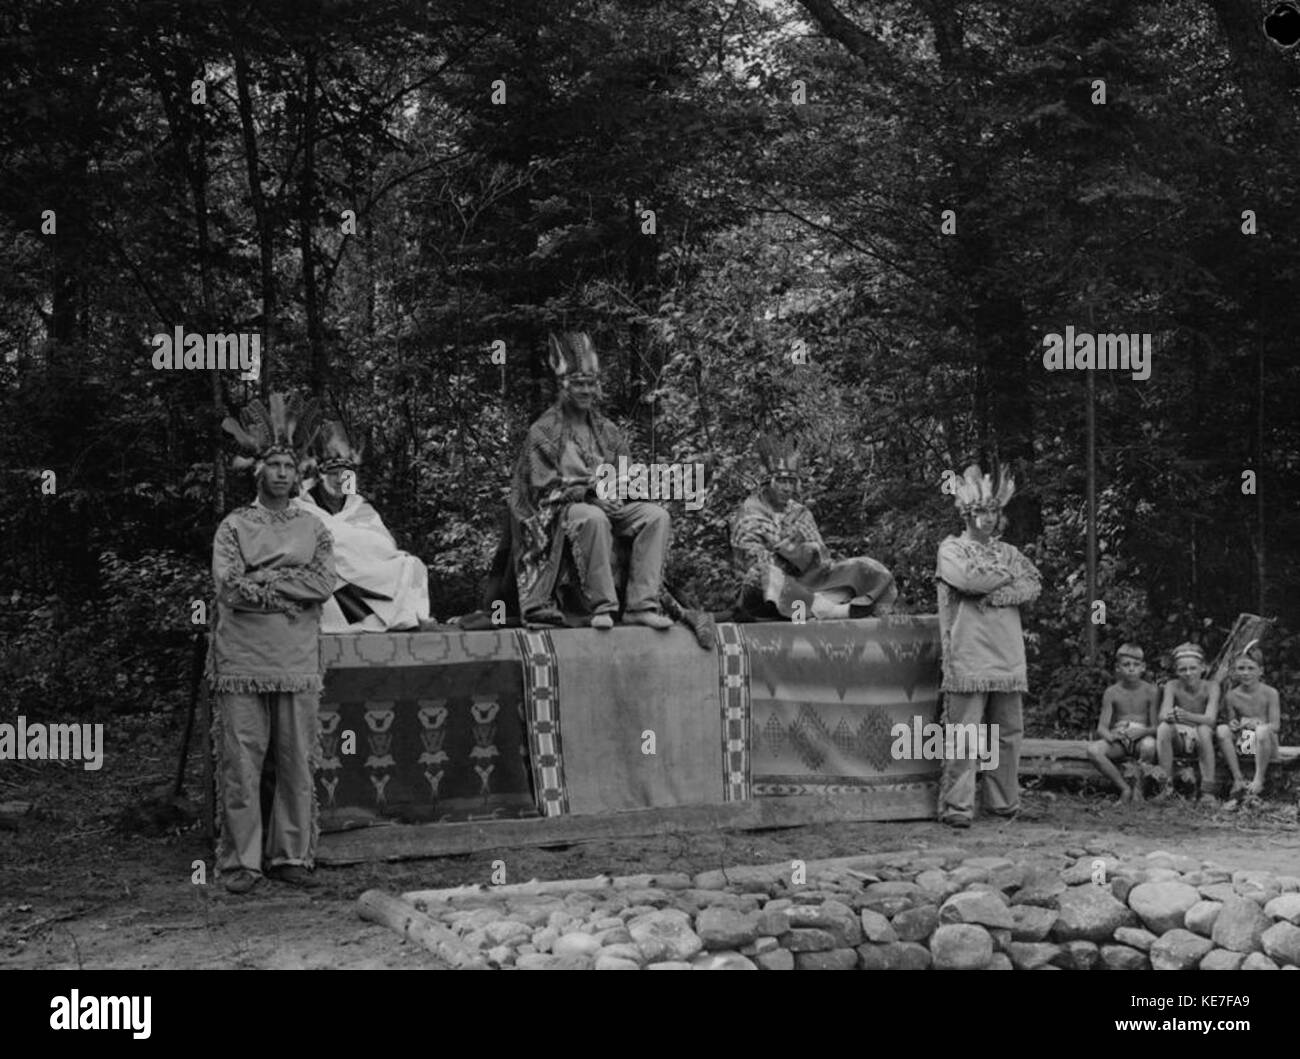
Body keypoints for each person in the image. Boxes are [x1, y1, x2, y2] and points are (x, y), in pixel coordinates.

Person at [211, 393, 334, 893]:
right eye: (273, 465)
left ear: (298, 472)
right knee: (242, 760)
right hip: (241, 656)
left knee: (296, 759)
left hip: (297, 658)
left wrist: (266, 580)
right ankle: (241, 862)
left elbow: (323, 585)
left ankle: (291, 856)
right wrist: (290, 584)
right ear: (258, 471)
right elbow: (228, 588)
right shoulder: (234, 526)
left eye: (289, 465)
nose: (282, 473)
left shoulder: (315, 526)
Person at [507, 331, 672, 630]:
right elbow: (540, 487)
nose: (585, 390)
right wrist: (590, 492)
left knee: (656, 516)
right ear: (563, 386)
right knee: (593, 517)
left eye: (590, 384)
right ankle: (603, 606)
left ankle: (641, 605)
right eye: (578, 384)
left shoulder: (608, 431)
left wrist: (620, 493)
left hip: (611, 500)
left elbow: (627, 474)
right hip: (565, 509)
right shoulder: (543, 430)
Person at [935, 464, 1041, 828]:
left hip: (1007, 655)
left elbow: (1032, 586)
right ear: (967, 513)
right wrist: (1006, 579)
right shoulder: (951, 549)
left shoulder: (1009, 551)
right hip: (968, 653)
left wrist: (998, 589)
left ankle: (1002, 804)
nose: (988, 518)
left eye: (994, 511)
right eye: (980, 510)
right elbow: (967, 580)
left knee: (1007, 734)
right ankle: (957, 807)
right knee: (965, 733)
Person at [731, 434, 897, 620]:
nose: (787, 488)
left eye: (792, 482)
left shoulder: (800, 512)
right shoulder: (748, 515)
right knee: (765, 575)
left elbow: (824, 560)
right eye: (781, 481)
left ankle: (833, 605)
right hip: (765, 593)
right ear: (766, 483)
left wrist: (807, 550)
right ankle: (831, 610)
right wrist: (786, 551)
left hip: (808, 584)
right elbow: (752, 565)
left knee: (863, 566)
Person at [293, 420, 434, 632]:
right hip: (329, 574)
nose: (340, 480)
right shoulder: (300, 507)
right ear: (320, 476)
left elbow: (383, 545)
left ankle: (410, 618)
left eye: (346, 474)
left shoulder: (360, 507)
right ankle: (367, 621)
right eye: (334, 474)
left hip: (367, 570)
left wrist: (354, 548)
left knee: (411, 565)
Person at [1085, 644, 1158, 802]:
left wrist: (1141, 732)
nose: (1131, 669)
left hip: (1142, 739)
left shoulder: (1151, 691)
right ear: (1118, 668)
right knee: (1093, 750)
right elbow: (1102, 728)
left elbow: (1156, 727)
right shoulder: (1111, 692)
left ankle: (1139, 789)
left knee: (1150, 746)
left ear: (1143, 667)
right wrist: (1112, 737)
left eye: (1136, 665)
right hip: (1120, 741)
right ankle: (1124, 788)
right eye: (1126, 665)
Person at [1153, 641, 1220, 804]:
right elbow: (1163, 716)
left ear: (1203, 668)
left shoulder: (1212, 686)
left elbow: (1210, 720)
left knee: (1204, 729)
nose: (1188, 673)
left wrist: (1187, 716)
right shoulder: (1172, 685)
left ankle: (1207, 791)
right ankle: (1166, 787)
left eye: (1193, 668)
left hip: (1202, 737)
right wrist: (1173, 716)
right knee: (1163, 728)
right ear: (1176, 671)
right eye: (1183, 669)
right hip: (1179, 736)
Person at [1216, 644, 1281, 802]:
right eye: (1241, 668)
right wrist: (1234, 724)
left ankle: (1259, 779)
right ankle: (1238, 778)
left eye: (1251, 668)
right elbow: (1232, 722)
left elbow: (1275, 726)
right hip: (1245, 744)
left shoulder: (1270, 693)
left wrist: (1257, 723)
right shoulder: (1231, 696)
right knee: (1222, 730)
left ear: (1261, 670)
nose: (1246, 673)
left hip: (1266, 744)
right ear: (1234, 671)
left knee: (1262, 731)